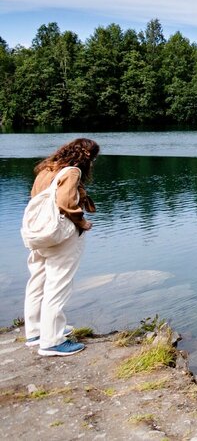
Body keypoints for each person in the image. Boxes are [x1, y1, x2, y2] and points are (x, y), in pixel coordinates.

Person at [23, 138, 100, 356]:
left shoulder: (47, 169)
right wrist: (82, 222)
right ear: (86, 156)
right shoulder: (72, 171)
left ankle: (36, 332)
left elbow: (35, 199)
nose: (93, 164)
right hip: (59, 236)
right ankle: (52, 341)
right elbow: (66, 202)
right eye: (93, 159)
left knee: (37, 281)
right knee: (58, 284)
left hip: (38, 234)